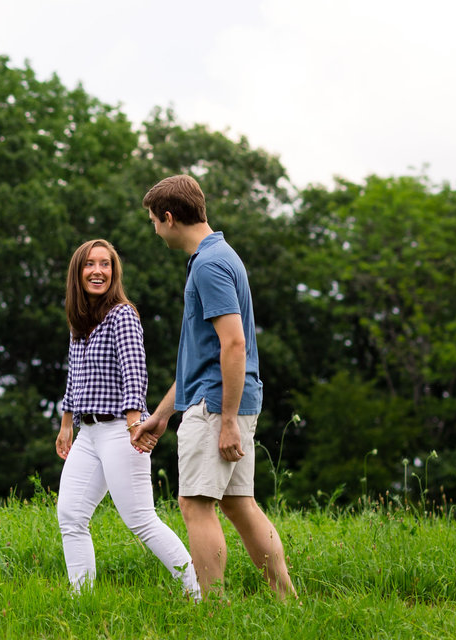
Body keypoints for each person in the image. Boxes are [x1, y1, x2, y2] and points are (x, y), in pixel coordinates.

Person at [130, 174, 296, 600]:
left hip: (217, 405)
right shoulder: (221, 256)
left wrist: (225, 421)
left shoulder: (208, 265)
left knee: (195, 504)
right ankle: (287, 603)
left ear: (169, 218)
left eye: (153, 219)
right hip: (222, 400)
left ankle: (214, 612)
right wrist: (162, 415)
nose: (153, 228)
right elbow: (199, 358)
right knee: (239, 504)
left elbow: (234, 344)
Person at [55, 238, 200, 599]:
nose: (98, 271)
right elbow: (74, 376)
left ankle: (197, 592)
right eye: (90, 264)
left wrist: (135, 423)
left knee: (141, 519)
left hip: (120, 429)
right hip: (87, 434)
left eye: (105, 264)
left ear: (113, 272)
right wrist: (66, 423)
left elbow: (134, 372)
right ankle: (82, 600)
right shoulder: (80, 321)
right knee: (71, 517)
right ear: (79, 271)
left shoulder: (122, 314)